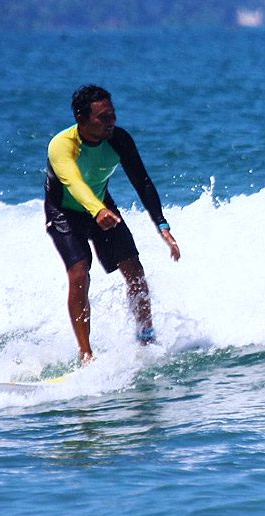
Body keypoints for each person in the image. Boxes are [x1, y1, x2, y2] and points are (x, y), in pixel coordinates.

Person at [44, 85, 181, 363]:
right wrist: (97, 210)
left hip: (102, 207)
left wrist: (162, 225)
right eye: (103, 117)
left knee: (134, 268)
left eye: (112, 114)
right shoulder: (62, 144)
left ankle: (146, 337)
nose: (111, 122)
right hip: (65, 213)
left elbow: (142, 181)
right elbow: (74, 183)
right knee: (80, 274)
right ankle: (86, 353)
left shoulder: (119, 140)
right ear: (82, 119)